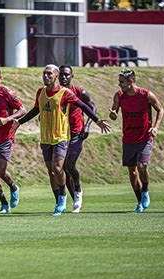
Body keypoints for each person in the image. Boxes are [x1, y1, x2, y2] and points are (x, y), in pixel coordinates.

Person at [12, 64, 111, 216]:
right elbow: (36, 110)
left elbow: (84, 106)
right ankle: (59, 199)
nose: (46, 76)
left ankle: (63, 197)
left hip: (61, 138)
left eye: (49, 74)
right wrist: (19, 122)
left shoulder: (66, 93)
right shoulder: (41, 92)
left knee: (59, 168)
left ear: (55, 76)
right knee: (52, 172)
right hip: (46, 138)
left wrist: (96, 121)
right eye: (44, 74)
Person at [108, 69, 164, 213]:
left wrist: (156, 127)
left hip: (144, 137)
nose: (119, 84)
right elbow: (114, 112)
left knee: (142, 166)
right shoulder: (119, 95)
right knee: (132, 172)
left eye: (122, 81)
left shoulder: (146, 95)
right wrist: (113, 114)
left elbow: (161, 110)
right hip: (128, 138)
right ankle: (139, 201)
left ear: (131, 82)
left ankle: (145, 191)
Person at [0, 66, 27, 214]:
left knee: (0, 169)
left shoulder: (6, 93)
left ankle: (13, 187)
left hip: (5, 138)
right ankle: (3, 203)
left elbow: (23, 110)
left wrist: (7, 119)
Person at [59, 65, 96, 213]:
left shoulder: (79, 92)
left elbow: (92, 107)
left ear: (72, 76)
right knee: (62, 168)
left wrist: (87, 126)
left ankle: (78, 189)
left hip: (76, 134)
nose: (64, 77)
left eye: (67, 75)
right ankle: (74, 197)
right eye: (61, 74)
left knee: (69, 164)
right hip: (60, 135)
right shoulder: (54, 92)